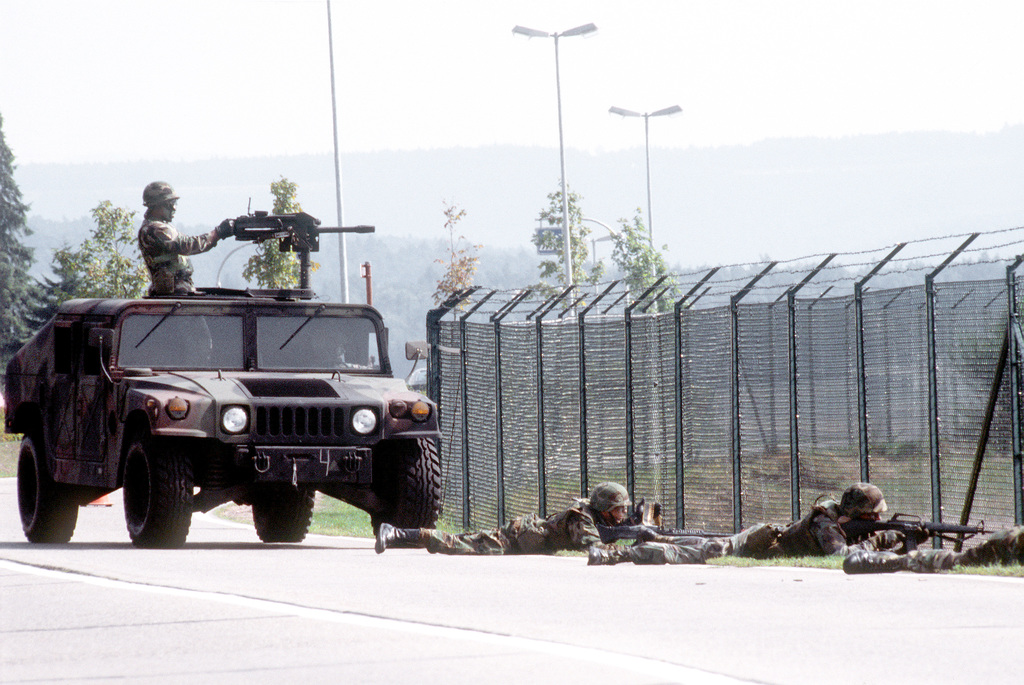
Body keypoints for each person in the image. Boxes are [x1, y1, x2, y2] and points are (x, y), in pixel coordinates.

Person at [588, 482, 906, 566]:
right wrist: (881, 540)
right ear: (858, 515)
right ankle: (616, 554)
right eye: (873, 518)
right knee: (690, 553)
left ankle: (649, 539)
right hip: (755, 545)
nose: (877, 521)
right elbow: (841, 559)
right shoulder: (827, 525)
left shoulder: (835, 521)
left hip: (762, 540)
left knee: (688, 546)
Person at [376, 482, 650, 556]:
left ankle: (399, 535)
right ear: (603, 508)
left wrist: (632, 527)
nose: (623, 515)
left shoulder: (596, 517)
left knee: (460, 540)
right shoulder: (582, 519)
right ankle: (397, 533)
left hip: (526, 536)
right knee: (457, 544)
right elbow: (594, 547)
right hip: (518, 537)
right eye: (620, 510)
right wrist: (635, 540)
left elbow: (608, 532)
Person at [137, 181, 233, 296]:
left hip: (178, 293)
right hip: (172, 295)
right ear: (156, 205)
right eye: (170, 203)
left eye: (175, 203)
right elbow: (186, 245)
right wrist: (217, 234)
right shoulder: (154, 229)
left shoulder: (159, 227)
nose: (174, 208)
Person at [844, 526, 1024, 574]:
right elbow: (838, 552)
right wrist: (882, 539)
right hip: (1013, 542)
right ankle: (896, 561)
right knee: (961, 562)